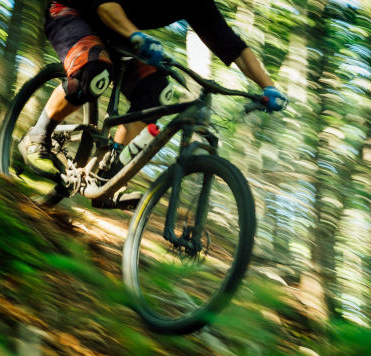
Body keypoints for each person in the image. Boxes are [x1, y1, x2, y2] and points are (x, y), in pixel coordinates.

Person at [20, 0, 287, 208]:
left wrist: (268, 86)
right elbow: (104, 4)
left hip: (119, 31)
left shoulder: (198, 4)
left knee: (157, 93)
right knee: (94, 75)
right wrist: (136, 36)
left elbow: (234, 47)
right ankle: (38, 135)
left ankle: (107, 176)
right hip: (74, 11)